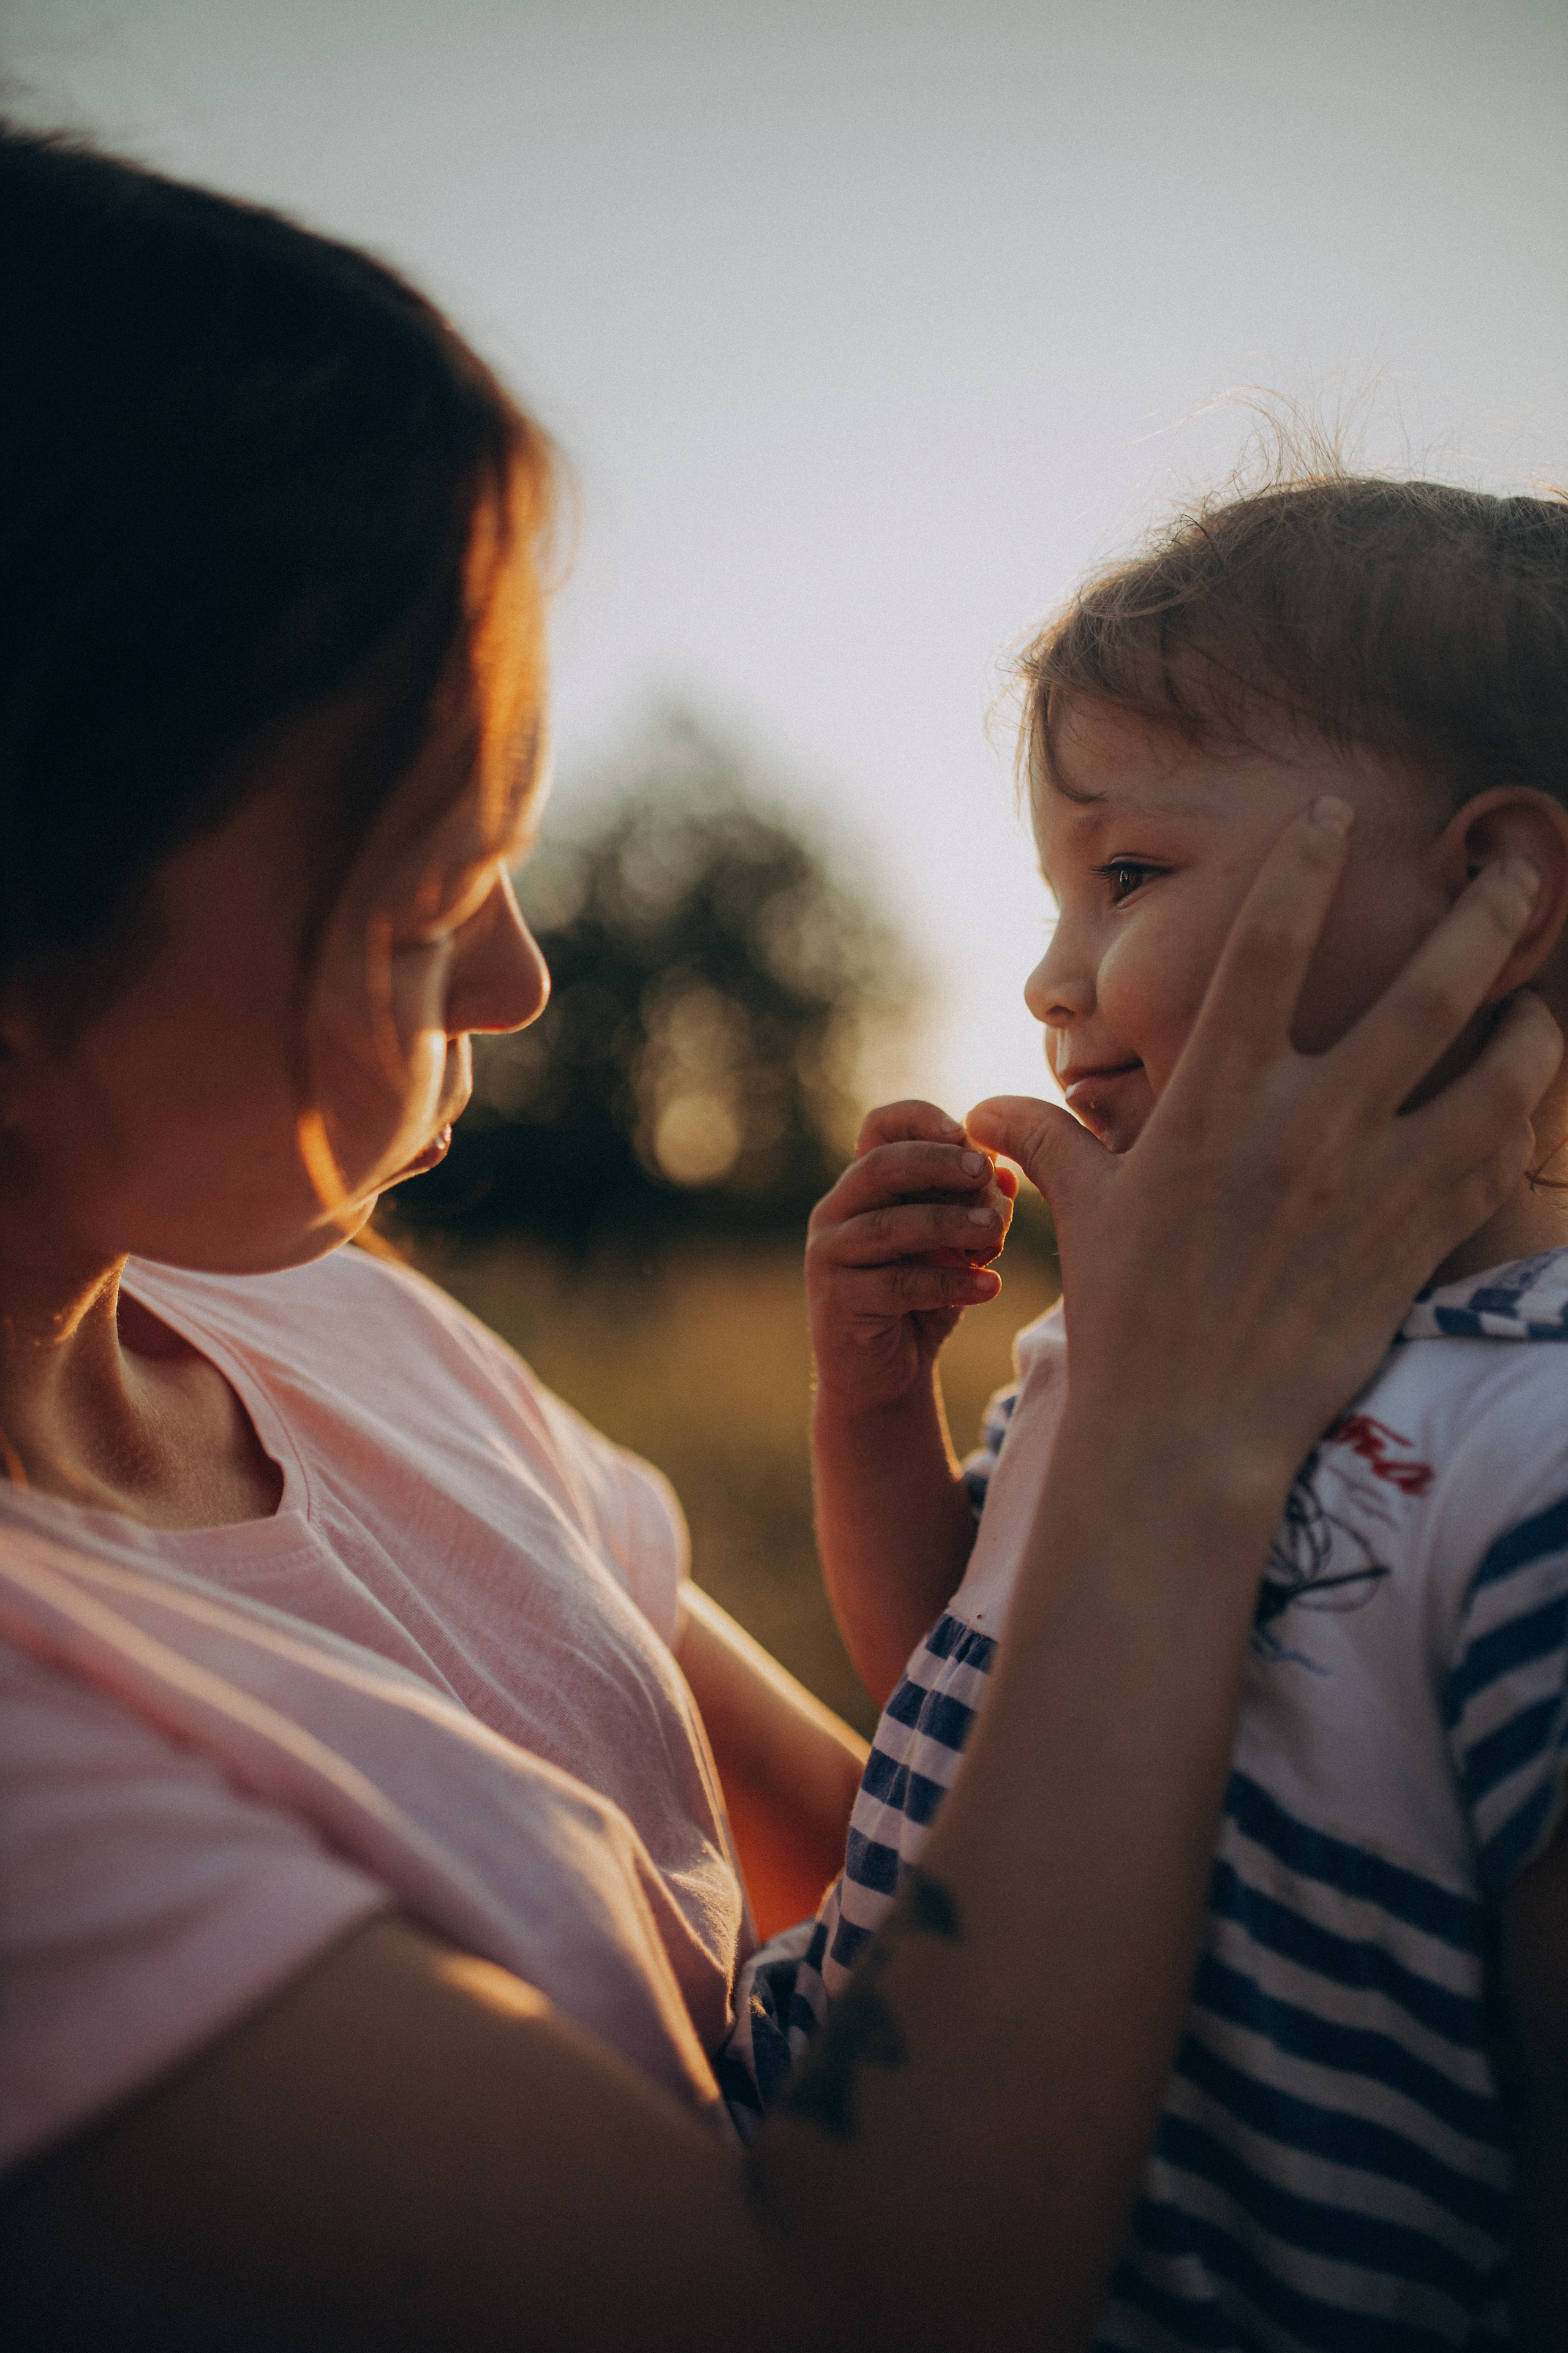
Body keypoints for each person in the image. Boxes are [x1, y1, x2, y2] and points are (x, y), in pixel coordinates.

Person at [0, 126, 1555, 2352]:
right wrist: (1155, 1420)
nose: (521, 983)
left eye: (1127, 877)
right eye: (418, 876)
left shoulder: (356, 1337)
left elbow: (911, 1811)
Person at [796, 478, 1568, 2347]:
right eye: (1055, 894)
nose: (1054, 981)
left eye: (1127, 874)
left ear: (1498, 888)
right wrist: (872, 1398)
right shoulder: (1106, 1340)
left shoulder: (1533, 1451)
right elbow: (952, 1678)